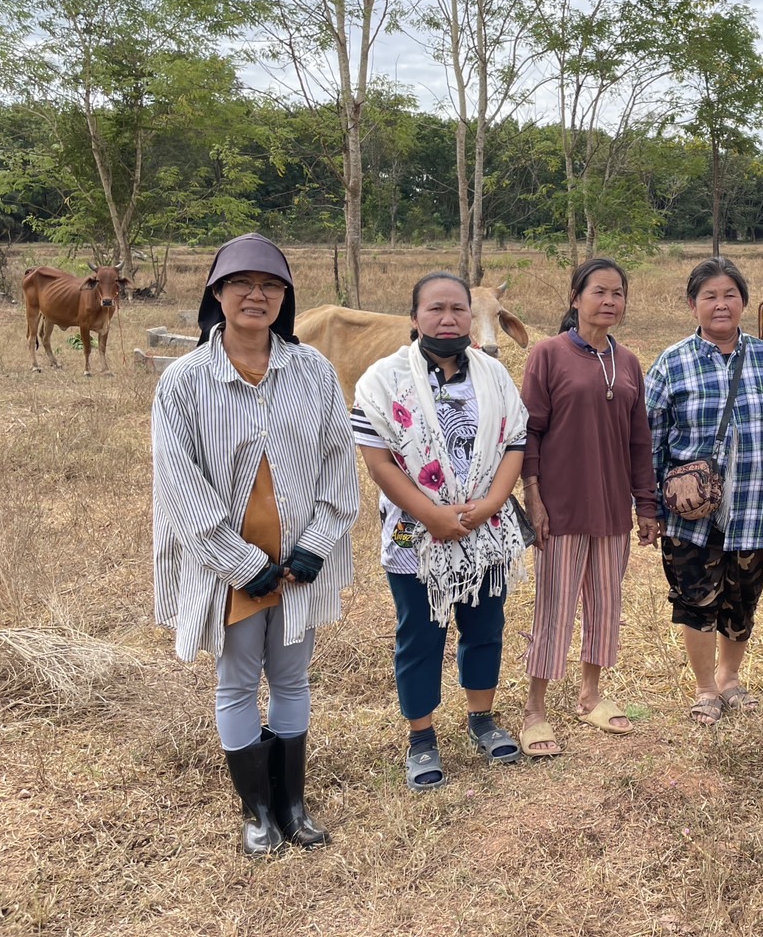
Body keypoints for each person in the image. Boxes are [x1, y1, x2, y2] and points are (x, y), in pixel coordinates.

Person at [152, 233, 359, 856]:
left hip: (299, 562)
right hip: (232, 568)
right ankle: (256, 812)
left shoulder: (313, 371)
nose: (256, 294)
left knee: (293, 679)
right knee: (239, 680)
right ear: (217, 293)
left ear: (284, 299)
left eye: (270, 285)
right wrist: (243, 564)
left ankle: (293, 806)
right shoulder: (186, 381)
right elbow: (179, 482)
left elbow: (337, 464)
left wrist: (316, 546)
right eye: (242, 283)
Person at [351, 271, 529, 790]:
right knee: (420, 635)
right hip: (416, 534)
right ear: (415, 318)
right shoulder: (382, 381)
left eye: (458, 309)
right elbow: (379, 461)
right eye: (436, 309)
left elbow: (515, 442)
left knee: (484, 628)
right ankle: (421, 738)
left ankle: (482, 719)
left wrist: (492, 502)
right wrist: (431, 514)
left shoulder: (494, 377)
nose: (449, 317)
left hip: (485, 527)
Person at [645, 257, 763, 725]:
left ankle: (729, 679)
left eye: (729, 295)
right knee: (695, 599)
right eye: (710, 297)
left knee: (741, 601)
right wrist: (648, 507)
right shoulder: (671, 362)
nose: (721, 305)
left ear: (743, 301)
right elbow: (649, 439)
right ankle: (703, 690)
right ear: (693, 305)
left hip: (756, 509)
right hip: (689, 515)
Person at [517, 259, 659, 757]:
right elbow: (528, 432)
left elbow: (639, 442)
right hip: (561, 506)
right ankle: (535, 710)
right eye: (599, 291)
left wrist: (646, 505)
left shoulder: (630, 362)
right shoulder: (548, 355)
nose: (609, 301)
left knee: (604, 604)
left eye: (618, 293)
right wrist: (533, 497)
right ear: (575, 298)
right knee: (553, 608)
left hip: (613, 508)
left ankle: (590, 695)